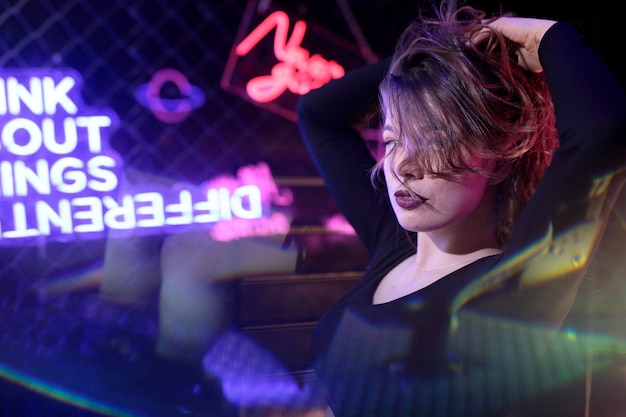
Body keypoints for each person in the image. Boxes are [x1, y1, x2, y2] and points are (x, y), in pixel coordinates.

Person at [296, 2, 626, 417]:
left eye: (433, 140)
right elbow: (317, 114)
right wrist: (445, 56)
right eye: (394, 139)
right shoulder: (394, 245)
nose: (403, 166)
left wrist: (548, 38)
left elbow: (600, 129)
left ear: (500, 159)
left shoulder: (512, 283)